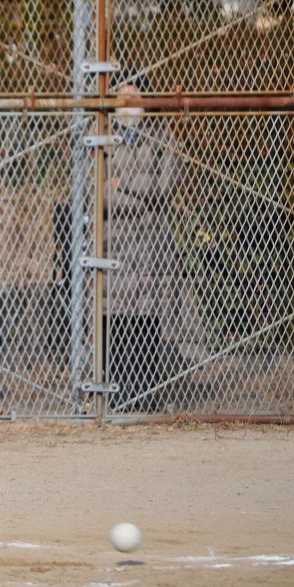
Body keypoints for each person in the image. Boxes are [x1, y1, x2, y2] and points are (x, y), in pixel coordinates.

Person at [103, 75, 184, 412]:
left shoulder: (161, 134)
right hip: (113, 242)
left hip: (151, 244)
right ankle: (114, 396)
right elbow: (96, 193)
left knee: (147, 320)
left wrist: (122, 184)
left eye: (134, 95)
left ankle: (146, 396)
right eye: (123, 95)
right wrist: (141, 195)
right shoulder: (102, 135)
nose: (129, 102)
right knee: (113, 320)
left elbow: (166, 185)